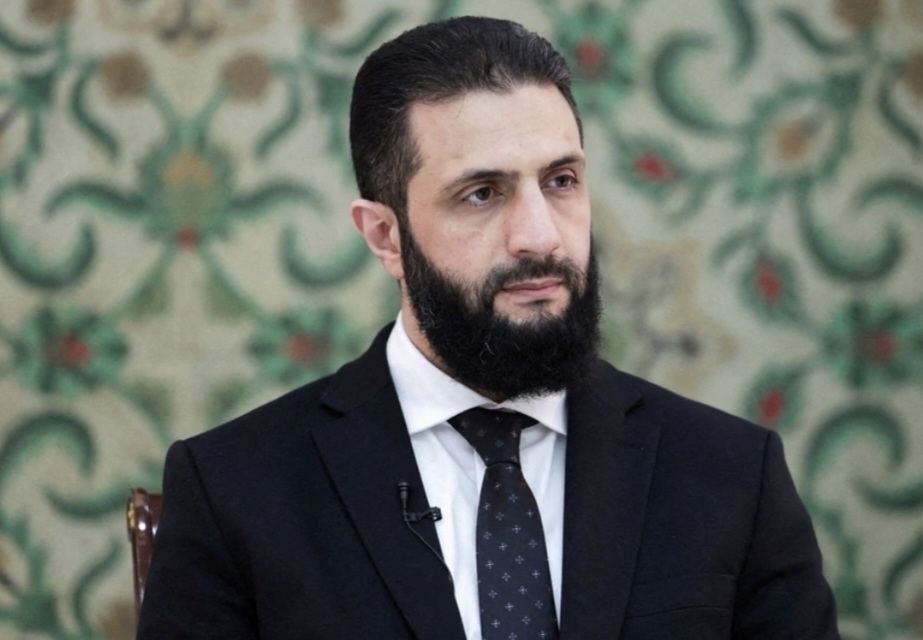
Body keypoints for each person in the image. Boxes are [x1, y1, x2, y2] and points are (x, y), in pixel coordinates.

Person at [137, 16, 840, 640]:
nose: (540, 236)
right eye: (481, 193)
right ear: (385, 236)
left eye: (560, 181)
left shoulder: (730, 474)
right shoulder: (236, 489)